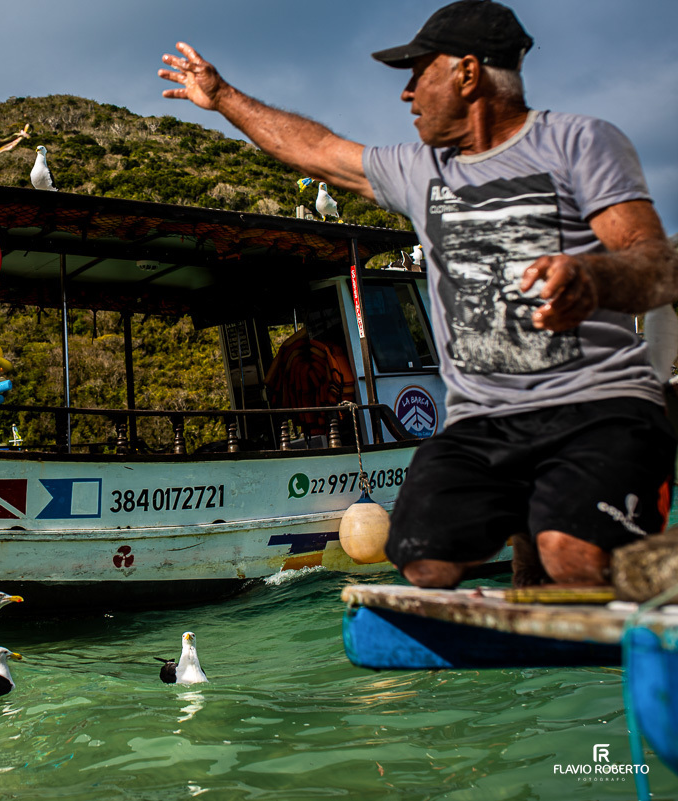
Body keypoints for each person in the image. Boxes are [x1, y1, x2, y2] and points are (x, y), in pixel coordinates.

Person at [160, 0, 678, 588]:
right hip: (486, 424)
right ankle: (542, 517)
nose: (407, 93)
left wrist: (594, 279)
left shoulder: (580, 143)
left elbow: (654, 263)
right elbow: (316, 150)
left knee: (573, 561)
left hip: (597, 405)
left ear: (467, 73)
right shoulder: (422, 170)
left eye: (417, 73)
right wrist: (222, 94)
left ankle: (611, 529)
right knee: (420, 557)